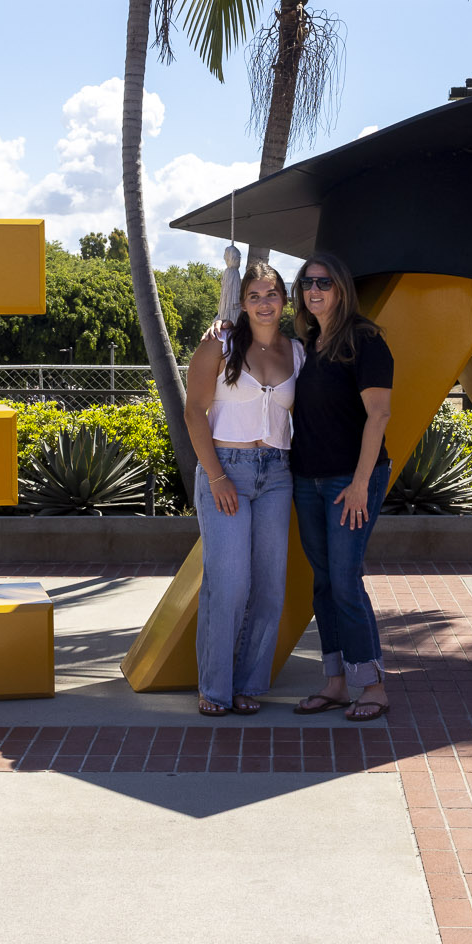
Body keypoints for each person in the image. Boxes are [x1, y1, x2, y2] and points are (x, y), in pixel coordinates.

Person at [181, 261, 300, 717]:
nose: (264, 303)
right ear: (242, 302)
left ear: (283, 301)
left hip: (277, 474)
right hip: (225, 468)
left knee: (270, 587)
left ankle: (249, 684)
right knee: (229, 583)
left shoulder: (297, 352)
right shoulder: (221, 343)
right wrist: (216, 477)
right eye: (255, 296)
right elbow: (194, 412)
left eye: (271, 294)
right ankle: (214, 689)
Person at [288, 252, 395, 722]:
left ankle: (371, 686)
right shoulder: (308, 343)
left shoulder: (365, 340)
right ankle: (334, 683)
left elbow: (379, 415)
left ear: (342, 288)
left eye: (324, 282)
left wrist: (359, 484)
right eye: (307, 282)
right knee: (325, 583)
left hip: (348, 482)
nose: (315, 290)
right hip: (306, 480)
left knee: (346, 582)